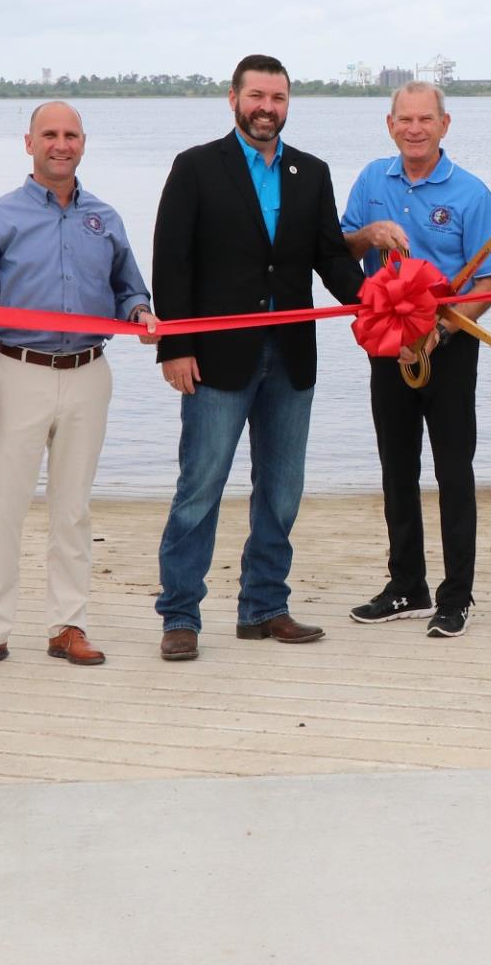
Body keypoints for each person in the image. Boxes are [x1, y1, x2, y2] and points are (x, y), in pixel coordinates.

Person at [152, 55, 365, 661]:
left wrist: (381, 304)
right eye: (257, 95)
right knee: (200, 488)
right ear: (234, 99)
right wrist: (176, 346)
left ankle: (264, 607)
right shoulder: (195, 167)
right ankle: (180, 615)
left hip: (292, 355)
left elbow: (331, 258)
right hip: (215, 357)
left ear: (288, 103)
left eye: (278, 97)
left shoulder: (311, 172)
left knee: (282, 490)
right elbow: (173, 262)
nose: (267, 107)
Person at [0, 101, 156, 674]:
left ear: (83, 143)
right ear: (28, 142)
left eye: (70, 135)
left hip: (90, 375)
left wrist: (139, 313)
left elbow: (128, 288)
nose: (60, 145)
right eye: (49, 135)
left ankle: (68, 626)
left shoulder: (105, 218)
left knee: (73, 510)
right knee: (3, 508)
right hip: (18, 373)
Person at [340, 81, 491, 639]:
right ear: (390, 125)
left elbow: (488, 280)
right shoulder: (371, 180)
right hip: (386, 345)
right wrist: (369, 233)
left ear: (444, 124)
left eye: (425, 120)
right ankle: (405, 585)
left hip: (448, 348)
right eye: (404, 120)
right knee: (396, 467)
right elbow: (342, 250)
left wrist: (438, 331)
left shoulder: (472, 192)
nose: (415, 129)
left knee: (454, 472)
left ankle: (455, 595)